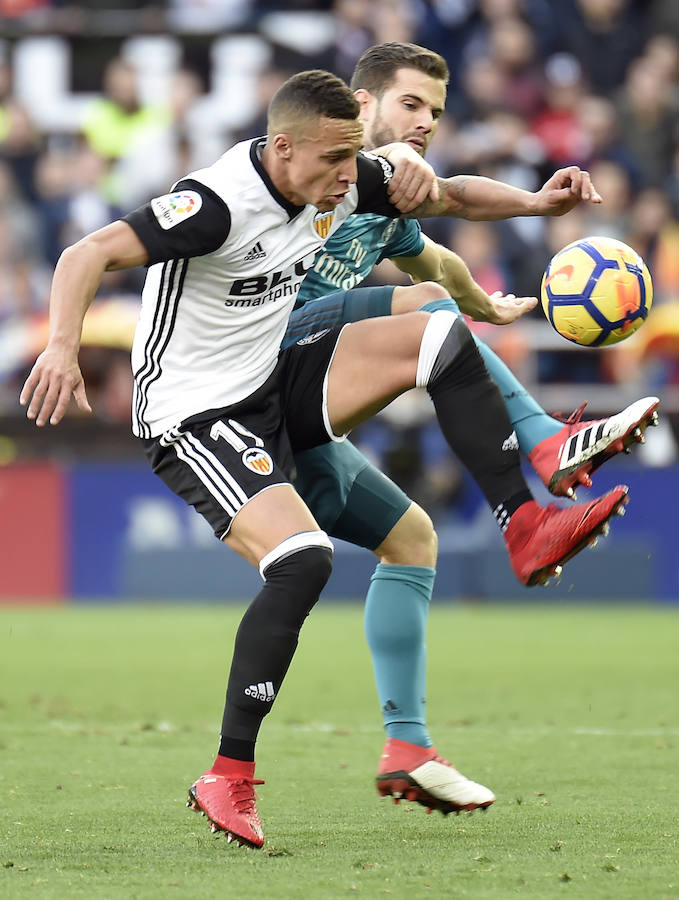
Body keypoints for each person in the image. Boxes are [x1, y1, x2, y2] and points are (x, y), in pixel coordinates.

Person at [21, 69, 631, 849]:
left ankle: (524, 521)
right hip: (196, 413)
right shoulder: (213, 204)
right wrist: (64, 349)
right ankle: (228, 774)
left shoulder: (338, 179)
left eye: (354, 163)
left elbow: (448, 197)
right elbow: (86, 252)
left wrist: (537, 203)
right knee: (303, 559)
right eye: (334, 163)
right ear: (281, 149)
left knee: (440, 329)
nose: (350, 179)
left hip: (272, 380)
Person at [280, 42, 660, 816]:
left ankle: (408, 747)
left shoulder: (386, 204)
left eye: (435, 112)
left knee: (411, 540)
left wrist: (486, 305)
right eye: (410, 104)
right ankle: (545, 444)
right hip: (254, 378)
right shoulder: (312, 164)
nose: (423, 123)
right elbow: (451, 203)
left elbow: (443, 262)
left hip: (300, 417)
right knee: (428, 315)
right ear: (361, 105)